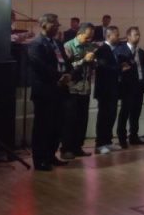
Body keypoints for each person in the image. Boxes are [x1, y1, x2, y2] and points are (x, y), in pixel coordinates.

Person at [27, 13, 71, 171]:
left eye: (58, 24)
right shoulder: (36, 44)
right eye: (54, 24)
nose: (58, 26)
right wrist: (59, 76)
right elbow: (40, 66)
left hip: (60, 90)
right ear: (44, 25)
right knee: (43, 127)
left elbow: (64, 62)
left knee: (57, 125)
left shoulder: (57, 43)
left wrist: (68, 74)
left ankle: (51, 155)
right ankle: (40, 160)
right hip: (44, 91)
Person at [61, 23, 97, 160]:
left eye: (91, 37)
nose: (89, 40)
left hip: (85, 88)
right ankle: (66, 148)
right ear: (79, 34)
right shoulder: (68, 46)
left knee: (82, 120)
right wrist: (83, 60)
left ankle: (77, 147)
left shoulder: (90, 46)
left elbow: (93, 66)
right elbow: (66, 67)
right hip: (72, 89)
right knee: (70, 120)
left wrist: (93, 61)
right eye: (87, 37)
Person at [92, 25, 121, 154]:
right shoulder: (102, 49)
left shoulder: (114, 50)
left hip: (113, 88)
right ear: (109, 36)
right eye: (116, 35)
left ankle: (108, 141)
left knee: (111, 116)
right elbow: (103, 67)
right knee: (103, 116)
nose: (118, 37)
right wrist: (120, 68)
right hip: (104, 89)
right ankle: (100, 143)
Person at [116, 26, 144, 147]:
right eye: (135, 35)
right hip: (127, 87)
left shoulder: (141, 51)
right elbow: (119, 68)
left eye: (139, 34)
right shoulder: (121, 50)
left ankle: (134, 135)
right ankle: (122, 138)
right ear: (128, 36)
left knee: (136, 112)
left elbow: (142, 68)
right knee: (125, 112)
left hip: (139, 85)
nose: (138, 37)